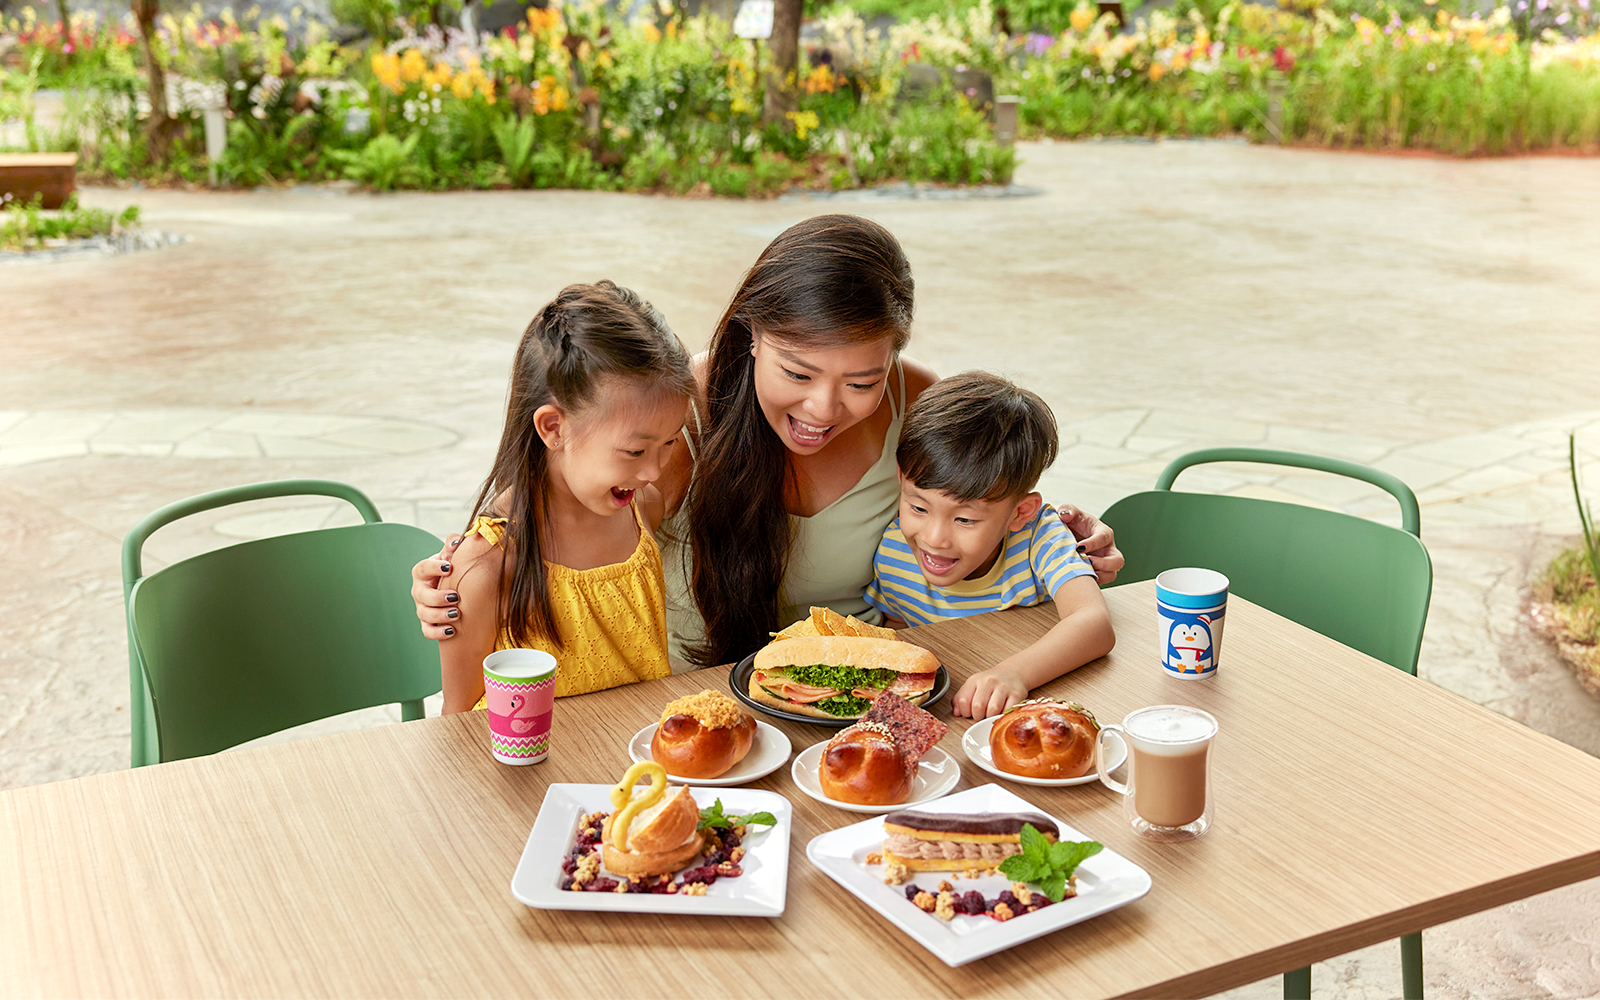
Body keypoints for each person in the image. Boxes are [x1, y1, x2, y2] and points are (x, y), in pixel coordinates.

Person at [412, 215, 1125, 669]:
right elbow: (551, 494)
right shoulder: (676, 417)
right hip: (696, 698)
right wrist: (467, 561)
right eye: (798, 371)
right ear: (751, 335)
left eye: (861, 381)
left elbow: (982, 492)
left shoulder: (915, 397)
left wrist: (1060, 538)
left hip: (864, 691)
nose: (822, 408)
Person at [431, 281, 695, 714]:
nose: (653, 472)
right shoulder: (485, 567)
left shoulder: (643, 510)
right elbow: (456, 729)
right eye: (635, 450)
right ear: (554, 428)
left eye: (669, 442)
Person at [864, 371, 1115, 720]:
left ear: (1020, 512)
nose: (934, 538)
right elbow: (898, 627)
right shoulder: (893, 554)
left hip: (1044, 708)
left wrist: (1014, 674)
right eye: (918, 507)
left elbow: (1094, 623)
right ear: (900, 480)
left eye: (965, 520)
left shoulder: (1040, 537)